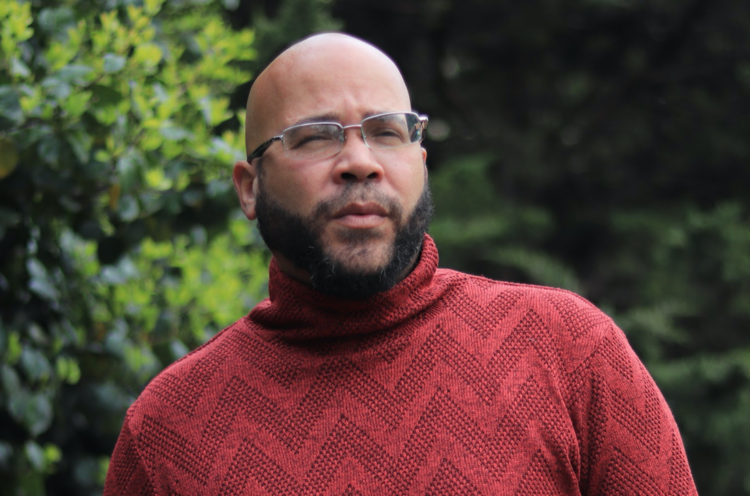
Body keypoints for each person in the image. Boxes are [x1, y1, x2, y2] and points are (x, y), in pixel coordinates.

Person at [103, 33, 698, 495]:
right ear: (249, 187)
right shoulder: (169, 430)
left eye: (388, 132)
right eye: (315, 136)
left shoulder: (567, 348)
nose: (360, 161)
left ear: (421, 160)